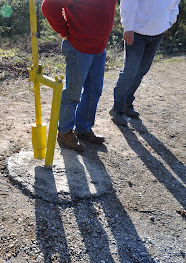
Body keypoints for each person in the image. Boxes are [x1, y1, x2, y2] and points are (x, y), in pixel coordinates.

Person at [41, 0, 117, 151]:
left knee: (93, 91)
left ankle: (83, 128)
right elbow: (49, 6)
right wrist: (64, 31)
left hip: (99, 47)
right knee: (72, 93)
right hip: (78, 46)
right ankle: (64, 132)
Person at [110, 0, 181, 126]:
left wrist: (168, 23)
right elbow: (128, 3)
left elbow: (174, 6)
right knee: (130, 70)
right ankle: (117, 108)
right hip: (136, 33)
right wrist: (128, 27)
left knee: (142, 70)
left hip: (157, 34)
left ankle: (127, 103)